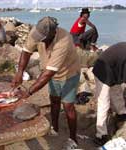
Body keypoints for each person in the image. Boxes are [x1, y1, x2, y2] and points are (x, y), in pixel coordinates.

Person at [11, 16, 80, 145]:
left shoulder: (64, 40)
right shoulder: (36, 32)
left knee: (68, 106)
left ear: (53, 33)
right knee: (54, 100)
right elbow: (26, 52)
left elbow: (48, 74)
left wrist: (29, 92)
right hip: (52, 72)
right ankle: (54, 128)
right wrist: (19, 72)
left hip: (69, 74)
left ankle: (73, 139)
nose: (39, 39)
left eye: (43, 38)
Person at [92, 42, 126, 146]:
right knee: (104, 102)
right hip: (102, 70)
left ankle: (122, 114)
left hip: (114, 69)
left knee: (117, 93)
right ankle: (101, 135)